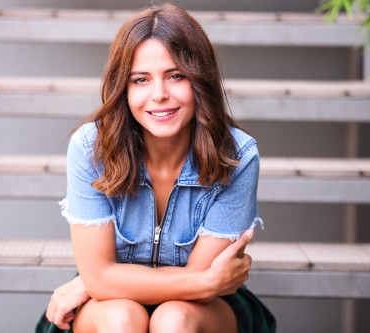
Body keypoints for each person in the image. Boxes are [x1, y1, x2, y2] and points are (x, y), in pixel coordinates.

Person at [36, 3, 275, 333]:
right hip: (110, 307)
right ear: (124, 88)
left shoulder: (236, 156)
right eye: (140, 80)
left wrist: (99, 280)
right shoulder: (92, 148)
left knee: (173, 319)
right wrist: (96, 283)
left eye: (176, 76)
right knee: (122, 318)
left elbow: (203, 287)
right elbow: (202, 280)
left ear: (200, 80)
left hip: (203, 308)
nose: (159, 94)